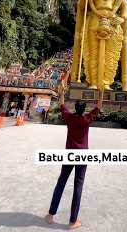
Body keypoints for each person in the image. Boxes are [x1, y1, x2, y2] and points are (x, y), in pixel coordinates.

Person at [45, 86, 102, 230]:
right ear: (84, 109)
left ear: (75, 108)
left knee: (61, 182)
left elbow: (62, 105)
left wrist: (62, 91)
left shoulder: (69, 118)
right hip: (82, 155)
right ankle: (73, 221)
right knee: (78, 186)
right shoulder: (87, 119)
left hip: (69, 154)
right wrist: (101, 92)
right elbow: (99, 107)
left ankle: (51, 215)